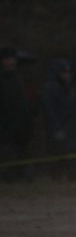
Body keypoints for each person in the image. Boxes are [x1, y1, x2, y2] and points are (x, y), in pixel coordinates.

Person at [43, 59, 76, 181]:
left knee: (73, 155)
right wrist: (56, 129)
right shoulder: (51, 88)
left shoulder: (70, 89)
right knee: (57, 155)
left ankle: (72, 178)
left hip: (71, 129)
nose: (67, 75)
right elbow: (49, 111)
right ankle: (56, 178)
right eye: (64, 72)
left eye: (69, 72)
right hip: (57, 129)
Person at [0, 47, 34, 182]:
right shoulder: (2, 80)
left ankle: (22, 177)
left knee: (22, 155)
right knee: (9, 157)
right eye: (7, 59)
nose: (10, 62)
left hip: (22, 127)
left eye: (12, 59)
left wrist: (28, 121)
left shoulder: (18, 79)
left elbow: (23, 103)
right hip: (6, 128)